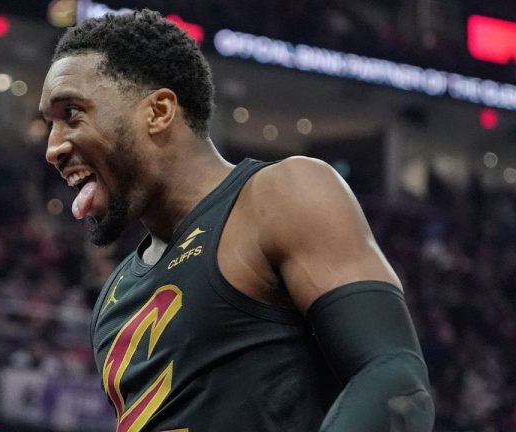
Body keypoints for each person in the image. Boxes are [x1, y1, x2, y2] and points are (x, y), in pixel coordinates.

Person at [39, 9, 434, 432]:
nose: (53, 147)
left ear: (158, 112)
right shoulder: (114, 297)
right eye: (51, 124)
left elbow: (395, 379)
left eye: (73, 114)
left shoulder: (277, 195)